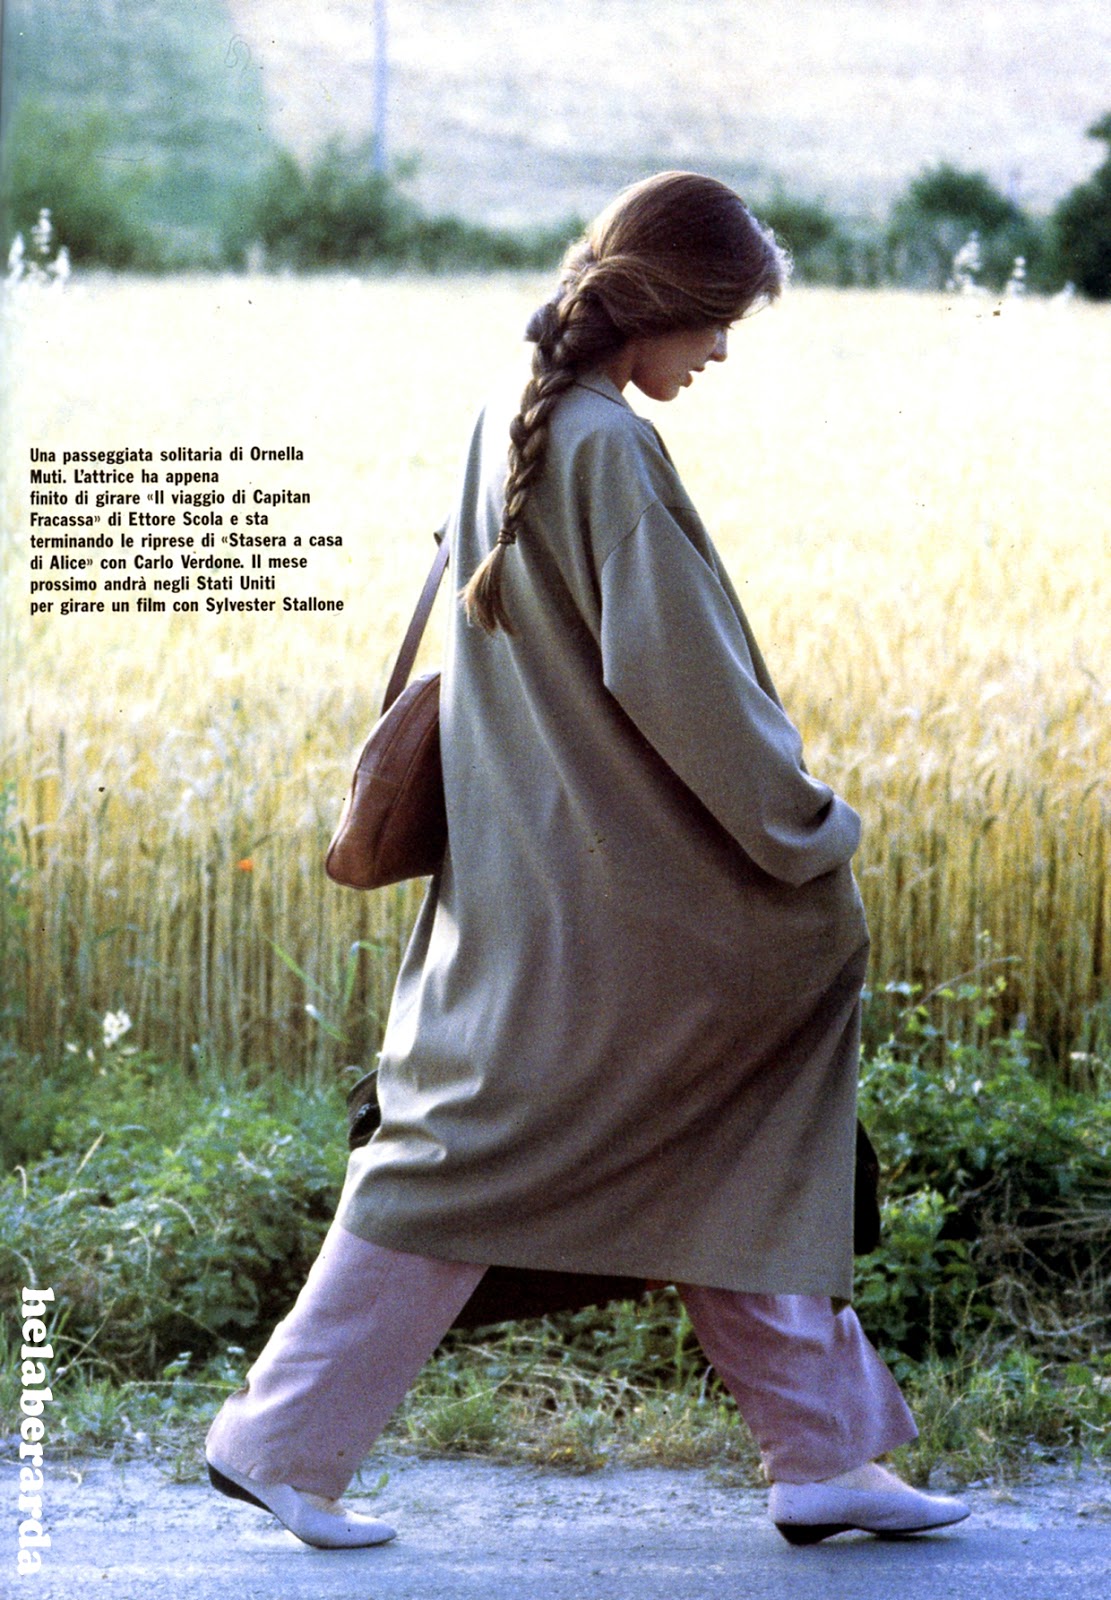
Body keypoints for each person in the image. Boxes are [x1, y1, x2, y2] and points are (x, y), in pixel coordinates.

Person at [206, 170, 969, 1550]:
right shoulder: (609, 442)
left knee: (708, 1131)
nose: (721, 353)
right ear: (664, 304)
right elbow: (684, 683)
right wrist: (809, 829)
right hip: (631, 894)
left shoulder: (518, 405)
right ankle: (276, 1438)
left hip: (537, 871)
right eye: (718, 322)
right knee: (483, 1150)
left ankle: (822, 1454)